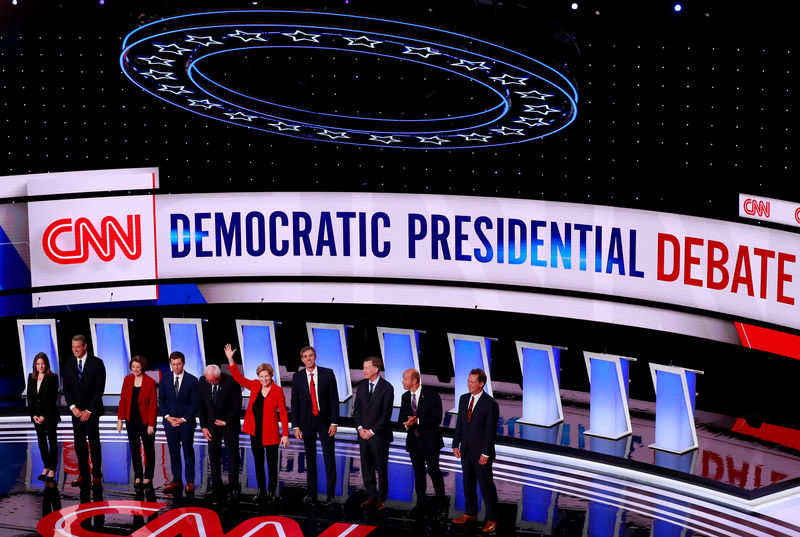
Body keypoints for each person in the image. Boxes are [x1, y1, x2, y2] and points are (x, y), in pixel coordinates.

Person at [224, 344, 289, 503]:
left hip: (271, 433)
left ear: (271, 375)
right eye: (261, 376)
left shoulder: (277, 390)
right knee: (258, 463)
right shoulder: (254, 385)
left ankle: (272, 491)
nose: (263, 379)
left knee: (272, 464)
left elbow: (284, 413)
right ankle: (261, 490)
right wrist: (231, 359)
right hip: (255, 432)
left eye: (266, 376)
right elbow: (238, 378)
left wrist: (286, 434)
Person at [451, 368, 500, 534]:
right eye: (468, 381)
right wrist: (455, 443)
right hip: (465, 450)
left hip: (481, 454)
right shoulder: (464, 399)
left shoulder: (490, 403)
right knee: (468, 484)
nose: (469, 384)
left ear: (481, 383)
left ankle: (492, 518)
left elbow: (490, 431)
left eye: (472, 382)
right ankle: (470, 513)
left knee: (486, 486)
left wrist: (485, 453)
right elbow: (461, 424)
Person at [290, 346, 339, 506]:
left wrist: (334, 422)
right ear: (302, 359)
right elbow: (294, 403)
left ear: (315, 357)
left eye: (311, 356)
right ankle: (311, 493)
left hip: (325, 422)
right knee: (309, 459)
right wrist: (295, 426)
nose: (308, 359)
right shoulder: (297, 377)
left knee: (328, 457)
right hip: (307, 422)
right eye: (305, 356)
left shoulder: (328, 373)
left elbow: (334, 399)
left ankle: (331, 495)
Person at [398, 368, 447, 520]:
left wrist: (417, 421)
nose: (402, 381)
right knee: (418, 474)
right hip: (414, 442)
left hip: (430, 441)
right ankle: (420, 504)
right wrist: (407, 424)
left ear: (414, 380)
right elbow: (401, 419)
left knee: (434, 471)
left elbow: (437, 419)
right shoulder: (405, 397)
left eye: (405, 379)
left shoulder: (432, 396)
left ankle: (442, 505)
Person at [61, 335, 106, 487]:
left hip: (91, 412)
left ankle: (97, 476)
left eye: (78, 347)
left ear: (85, 346)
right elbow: (66, 388)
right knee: (79, 444)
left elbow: (99, 389)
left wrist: (89, 410)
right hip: (76, 412)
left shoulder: (97, 363)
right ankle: (83, 475)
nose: (75, 350)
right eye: (73, 347)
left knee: (94, 444)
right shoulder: (68, 363)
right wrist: (73, 407)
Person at [352, 356, 394, 511]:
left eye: (366, 367)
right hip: (363, 434)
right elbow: (356, 410)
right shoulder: (362, 385)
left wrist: (371, 431)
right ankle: (371, 496)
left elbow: (386, 415)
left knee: (381, 468)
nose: (363, 370)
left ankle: (382, 498)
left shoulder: (387, 388)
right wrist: (360, 428)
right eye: (363, 367)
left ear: (376, 369)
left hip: (379, 436)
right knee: (366, 467)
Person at [198, 363, 242, 498]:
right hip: (211, 426)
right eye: (208, 380)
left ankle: (233, 486)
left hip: (229, 425)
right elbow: (201, 405)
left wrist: (226, 421)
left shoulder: (231, 382)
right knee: (213, 454)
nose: (211, 383)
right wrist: (204, 426)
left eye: (213, 381)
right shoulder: (203, 381)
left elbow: (237, 405)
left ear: (219, 377)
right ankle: (216, 485)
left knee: (232, 455)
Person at [158, 351, 198, 494]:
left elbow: (194, 404)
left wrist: (182, 419)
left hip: (186, 423)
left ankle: (190, 481)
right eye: (173, 364)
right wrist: (168, 417)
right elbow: (161, 400)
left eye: (178, 364)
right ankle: (176, 480)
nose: (176, 367)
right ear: (171, 364)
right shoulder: (165, 378)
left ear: (184, 363)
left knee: (188, 452)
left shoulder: (192, 380)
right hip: (170, 422)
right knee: (173, 452)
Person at [116, 355, 157, 491]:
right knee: (134, 449)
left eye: (138, 367)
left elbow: (152, 406)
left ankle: (148, 475)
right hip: (130, 420)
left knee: (148, 450)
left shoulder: (150, 382)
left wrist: (151, 424)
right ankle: (138, 475)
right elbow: (123, 400)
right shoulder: (127, 379)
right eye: (133, 367)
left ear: (143, 367)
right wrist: (120, 419)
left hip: (145, 421)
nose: (135, 369)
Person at [27, 352, 60, 482]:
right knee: (41, 442)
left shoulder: (53, 377)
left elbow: (52, 399)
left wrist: (44, 415)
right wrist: (34, 415)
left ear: (46, 364)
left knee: (52, 441)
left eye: (43, 363)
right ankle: (46, 466)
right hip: (36, 417)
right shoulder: (31, 377)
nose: (40, 366)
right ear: (35, 364)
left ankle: (52, 468)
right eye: (38, 363)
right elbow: (30, 398)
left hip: (49, 416)